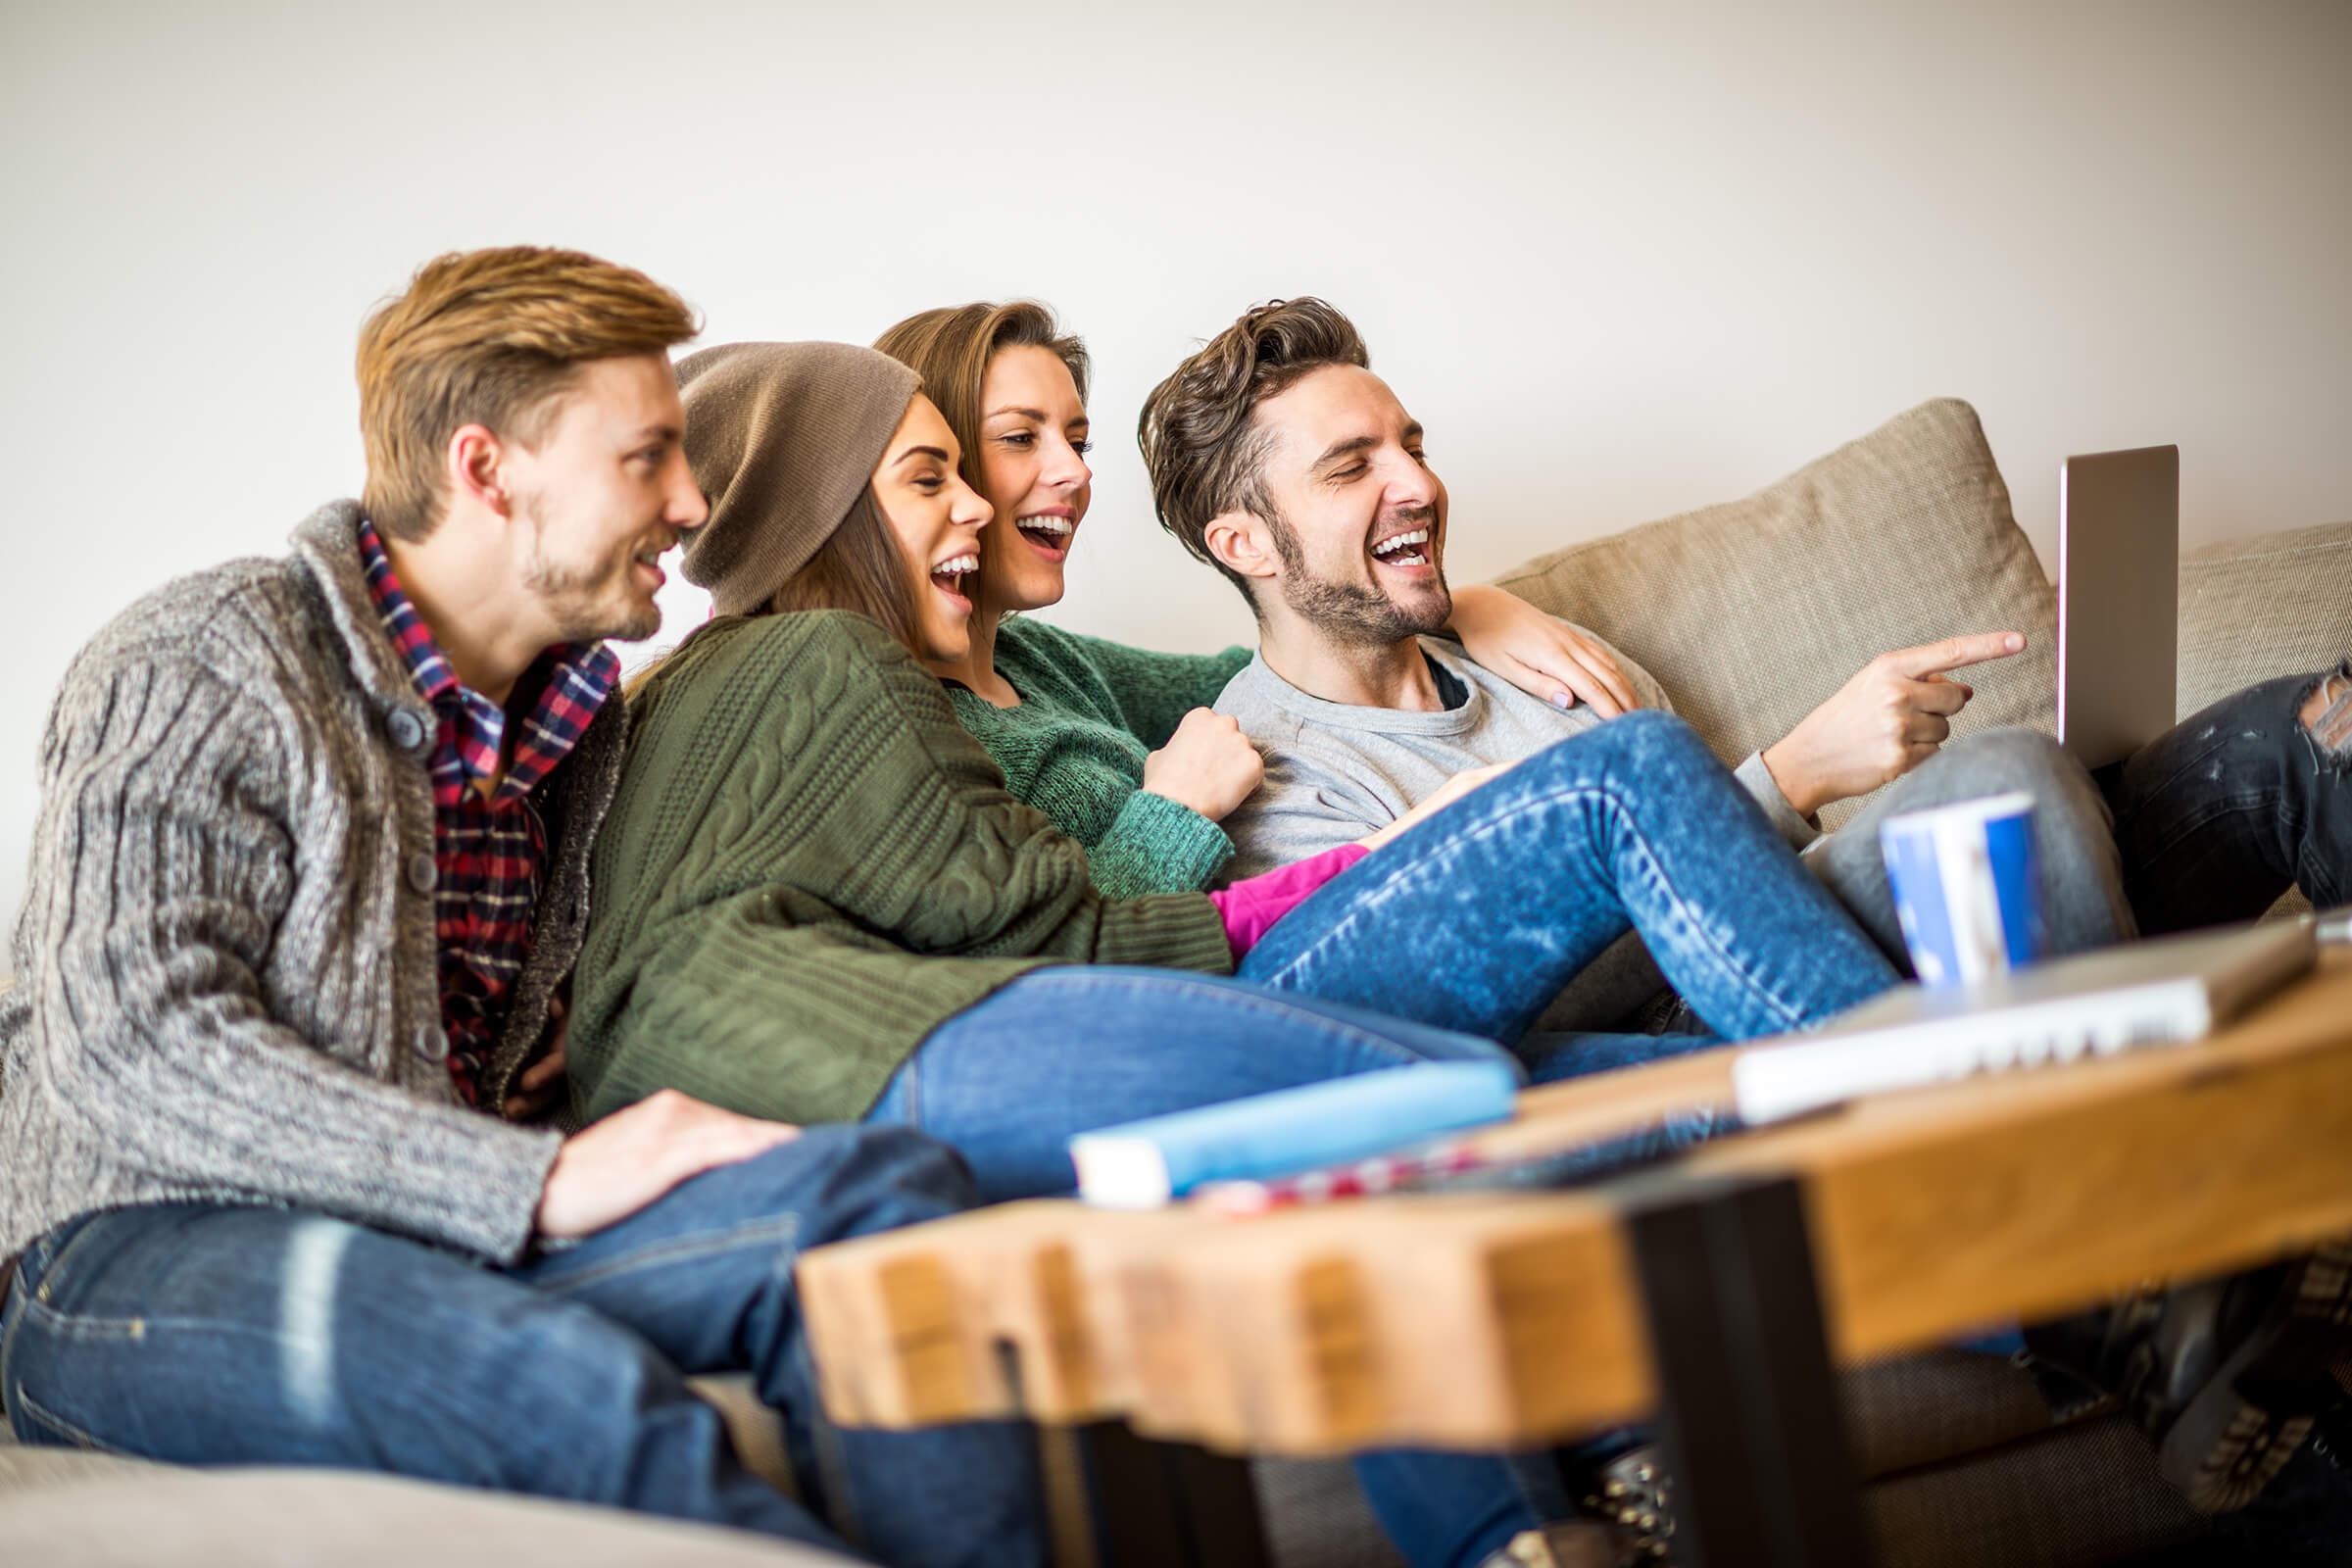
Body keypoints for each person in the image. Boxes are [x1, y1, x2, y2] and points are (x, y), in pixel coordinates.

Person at [571, 337, 1913, 1568]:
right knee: (1541, 950)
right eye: (938, 473)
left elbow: (1272, 649)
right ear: (823, 510)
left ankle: (1545, 1522)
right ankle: (1981, 1155)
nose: (991, 496)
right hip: (968, 1041)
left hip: (989, 1038)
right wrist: (1348, 861)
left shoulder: (1016, 672)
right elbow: (1058, 937)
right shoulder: (823, 664)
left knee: (1566, 1092)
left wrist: (1462, 608)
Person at [1136, 293, 2352, 1515]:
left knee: (2054, 776)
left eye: (1412, 443)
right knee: (2011, 797)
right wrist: (1785, 775)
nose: (1414, 483)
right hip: (1674, 1050)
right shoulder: (1278, 785)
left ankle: (2146, 1236)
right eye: (1353, 466)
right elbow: (1500, 1018)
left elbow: (1745, 899)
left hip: (1807, 970)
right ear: (1246, 543)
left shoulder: (1542, 657)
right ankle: (2152, 1265)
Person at [0, 247, 1045, 1568]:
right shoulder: (207, 654)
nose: (692, 498)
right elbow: (130, 1042)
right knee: (574, 1398)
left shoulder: (576, 722)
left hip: (435, 1224)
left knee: (880, 1208)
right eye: (648, 457)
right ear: (488, 470)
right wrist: (537, 1174)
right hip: (129, 1259)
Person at [868, 301, 1644, 902]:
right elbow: (1042, 964)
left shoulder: (1038, 664)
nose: (1074, 473)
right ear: (933, 463)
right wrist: (1174, 810)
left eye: (1078, 440)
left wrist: (1463, 607)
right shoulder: (900, 725)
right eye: (1019, 438)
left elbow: (1292, 660)